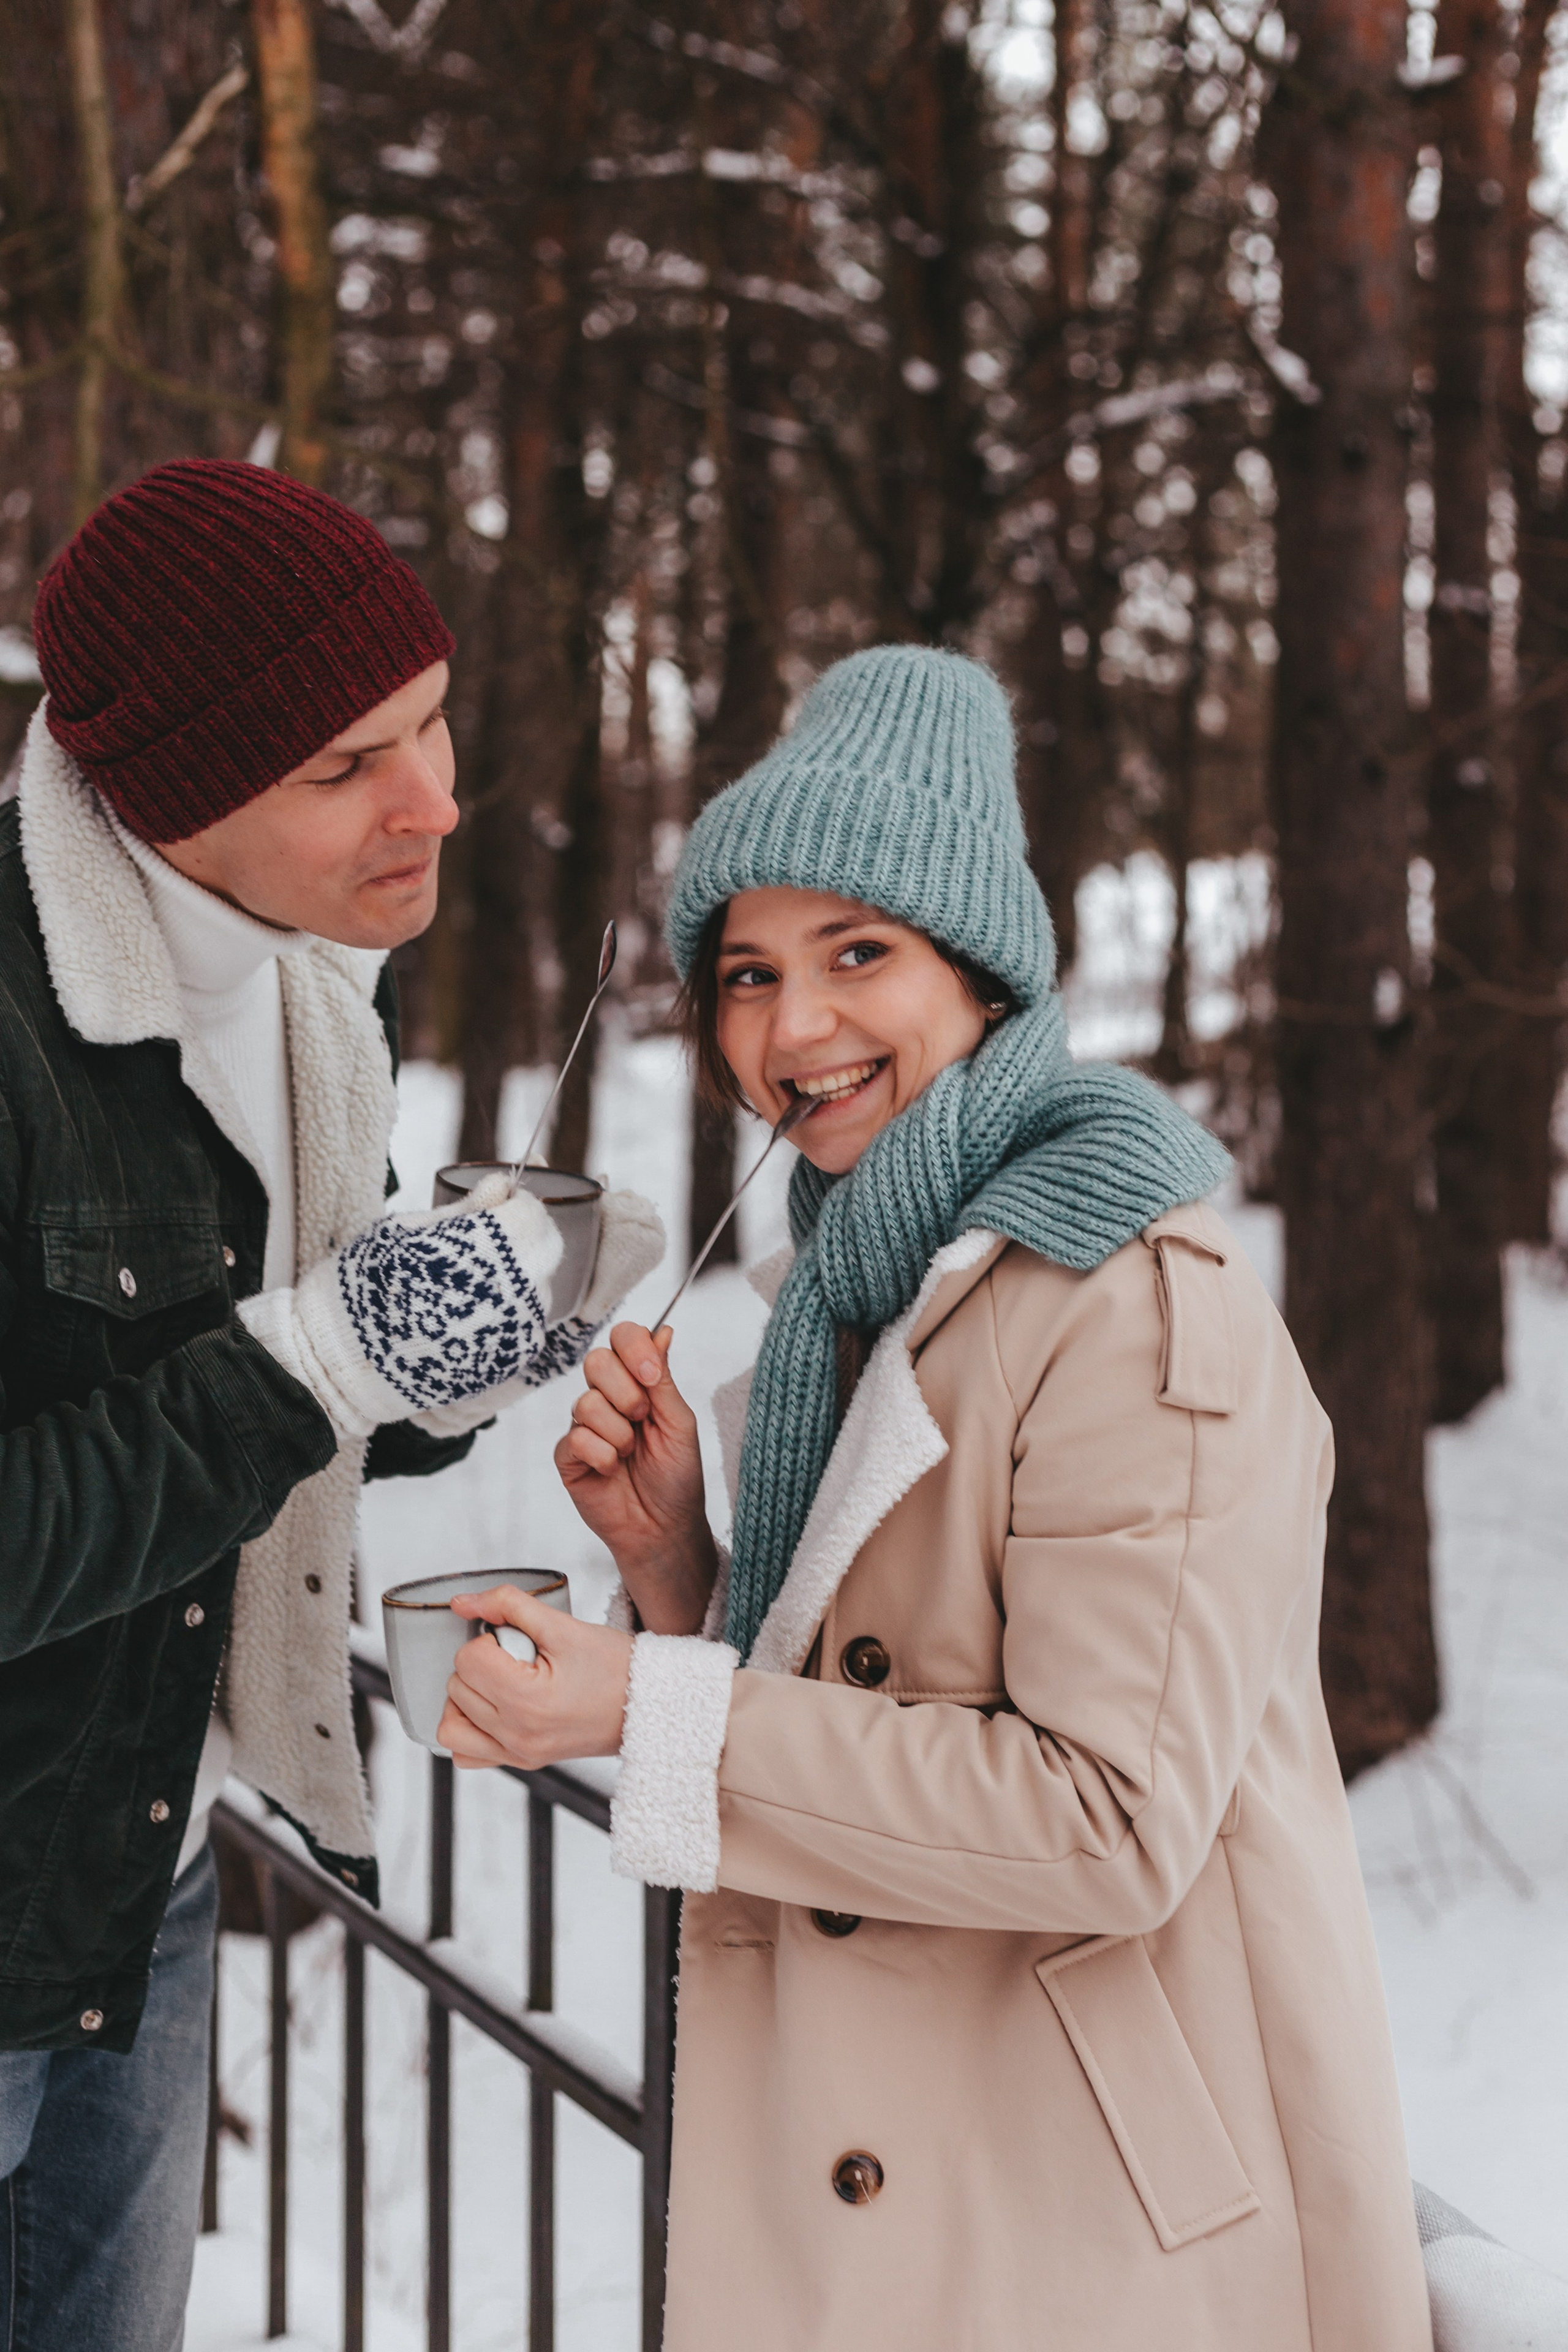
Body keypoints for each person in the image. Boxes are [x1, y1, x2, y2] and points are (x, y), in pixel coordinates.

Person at [438, 644, 1435, 2350]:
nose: (791, 1028)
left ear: (981, 973)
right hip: (920, 2203)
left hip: (1093, 2248)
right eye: (745, 974)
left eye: (858, 954)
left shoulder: (1127, 1301)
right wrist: (683, 1567)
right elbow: (876, 1717)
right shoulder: (873, 1285)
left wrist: (661, 1706)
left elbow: (1105, 1816)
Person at [0, 459, 663, 2352]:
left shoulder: (310, 1002)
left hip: (145, 1875)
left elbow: (275, 1399)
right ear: (167, 793)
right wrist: (330, 1353)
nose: (437, 798)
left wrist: (475, 1337)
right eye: (346, 764)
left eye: (433, 721)